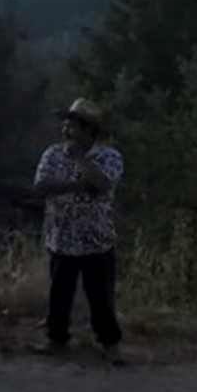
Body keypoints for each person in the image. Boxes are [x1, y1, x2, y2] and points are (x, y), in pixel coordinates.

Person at [32, 98, 125, 365]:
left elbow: (103, 185)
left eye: (71, 123)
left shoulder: (109, 156)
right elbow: (41, 186)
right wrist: (78, 185)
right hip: (61, 236)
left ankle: (110, 343)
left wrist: (81, 160)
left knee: (100, 296)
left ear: (87, 129)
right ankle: (56, 338)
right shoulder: (52, 153)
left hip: (96, 238)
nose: (65, 128)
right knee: (59, 292)